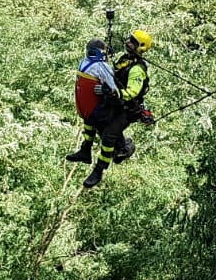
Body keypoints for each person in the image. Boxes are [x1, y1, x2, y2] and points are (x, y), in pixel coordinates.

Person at [65, 30, 152, 188]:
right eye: (129, 39)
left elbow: (132, 92)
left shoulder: (137, 69)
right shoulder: (125, 60)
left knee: (109, 134)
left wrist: (113, 92)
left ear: (140, 47)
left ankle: (99, 170)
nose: (128, 42)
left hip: (128, 108)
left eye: (133, 41)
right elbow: (113, 75)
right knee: (92, 117)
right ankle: (86, 150)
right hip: (115, 102)